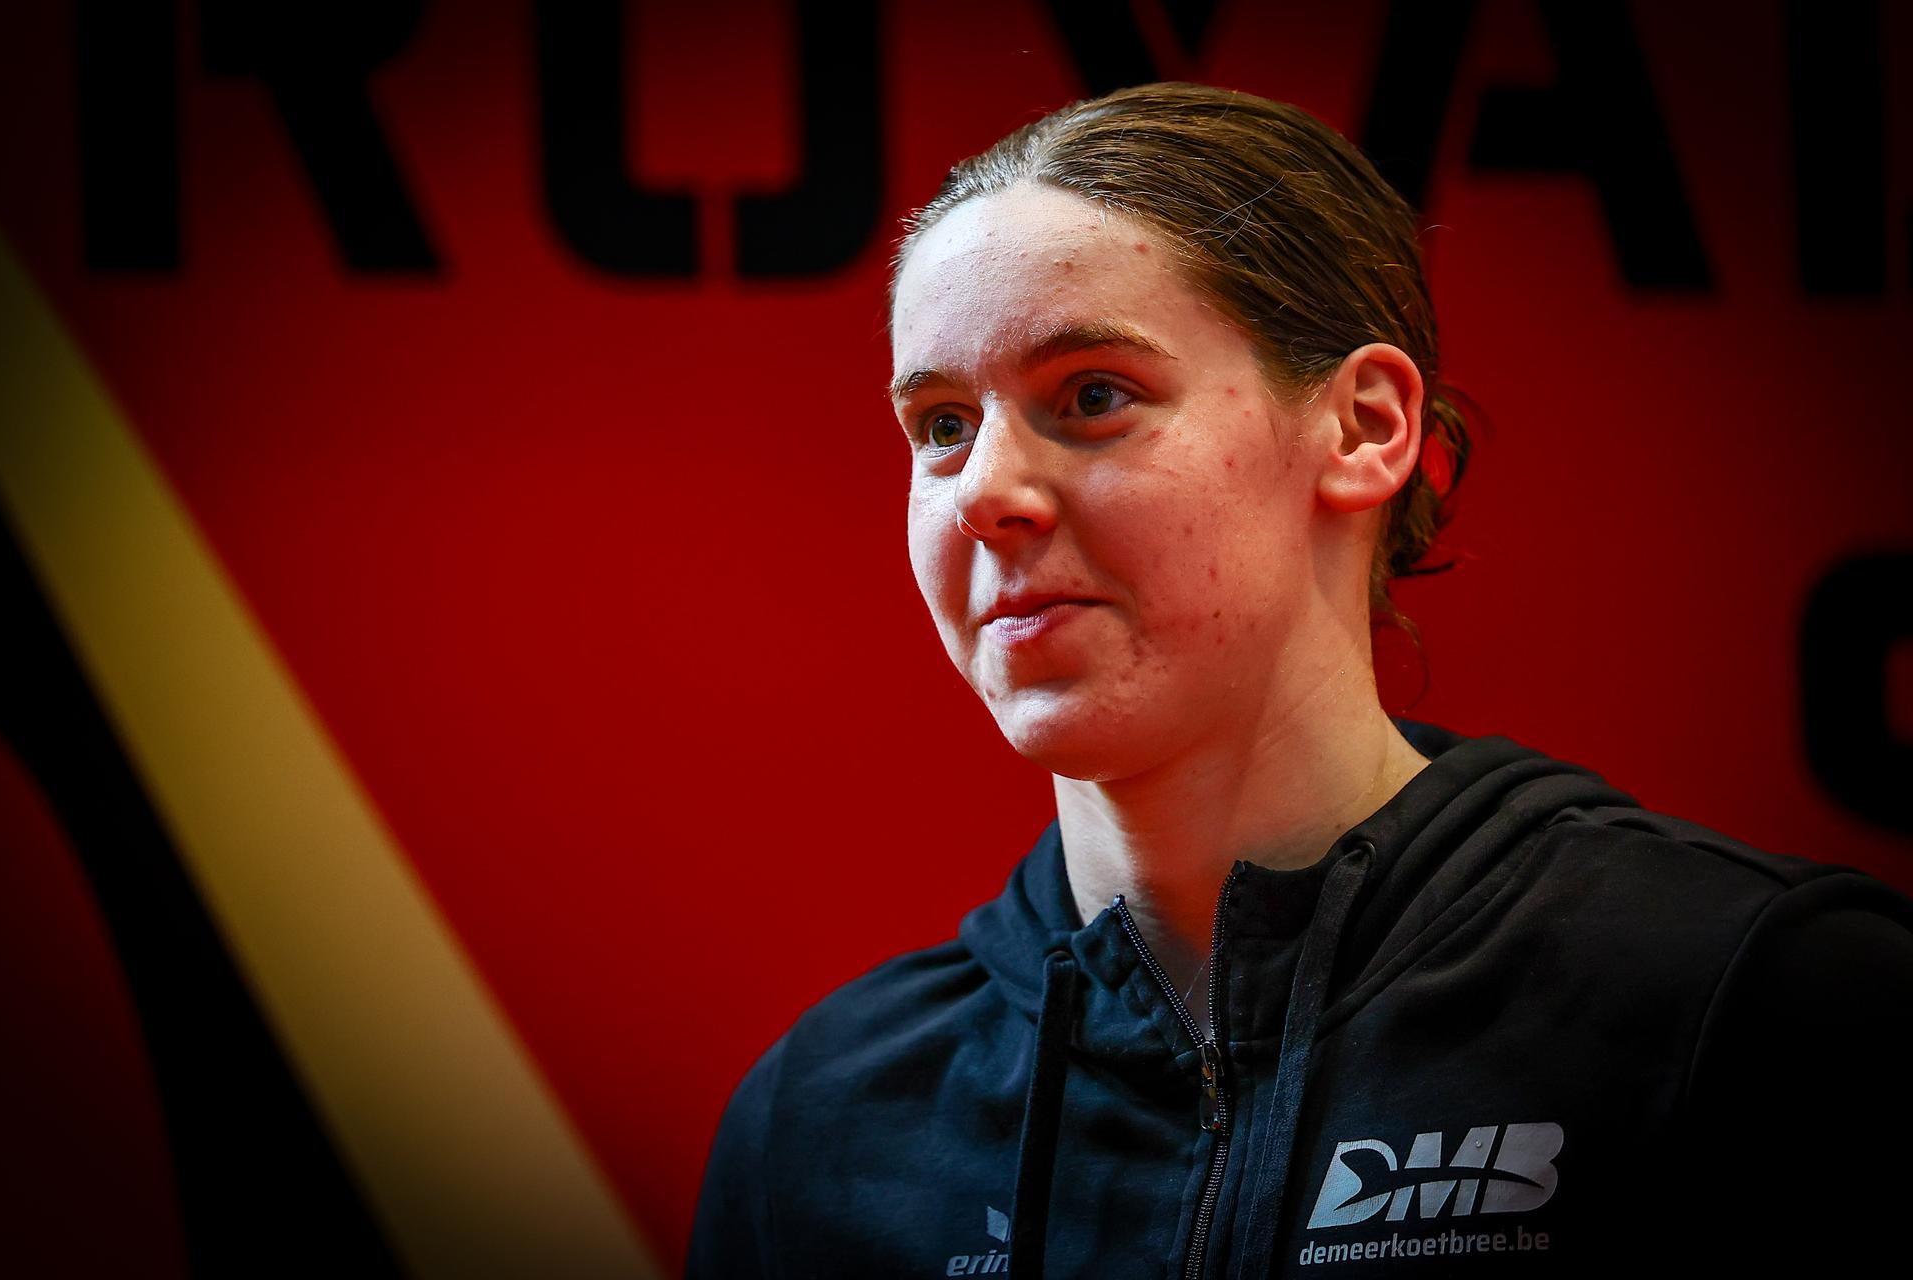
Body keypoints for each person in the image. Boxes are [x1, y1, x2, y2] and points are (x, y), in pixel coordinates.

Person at [687, 82, 1913, 1278]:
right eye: (944, 426)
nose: (985, 495)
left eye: (1095, 395)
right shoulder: (822, 1121)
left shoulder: (1764, 997)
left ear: (1365, 426)